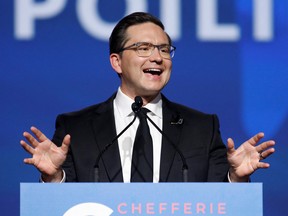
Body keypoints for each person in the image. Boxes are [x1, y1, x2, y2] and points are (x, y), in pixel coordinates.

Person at [20, 12, 275, 183]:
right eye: (143, 48)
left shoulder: (202, 128)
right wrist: (54, 178)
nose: (157, 57)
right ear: (116, 62)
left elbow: (221, 203)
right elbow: (66, 208)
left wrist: (236, 178)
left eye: (164, 49)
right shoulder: (75, 129)